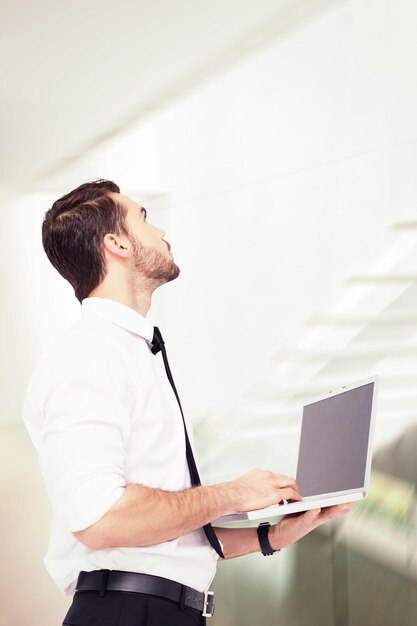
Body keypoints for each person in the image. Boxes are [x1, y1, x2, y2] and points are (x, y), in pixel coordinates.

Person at [22, 179, 353, 625]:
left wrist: (273, 535)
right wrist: (234, 493)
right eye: (144, 218)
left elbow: (167, 542)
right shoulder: (90, 353)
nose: (161, 231)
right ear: (116, 243)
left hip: (156, 610)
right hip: (128, 613)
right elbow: (100, 519)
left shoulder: (130, 351)